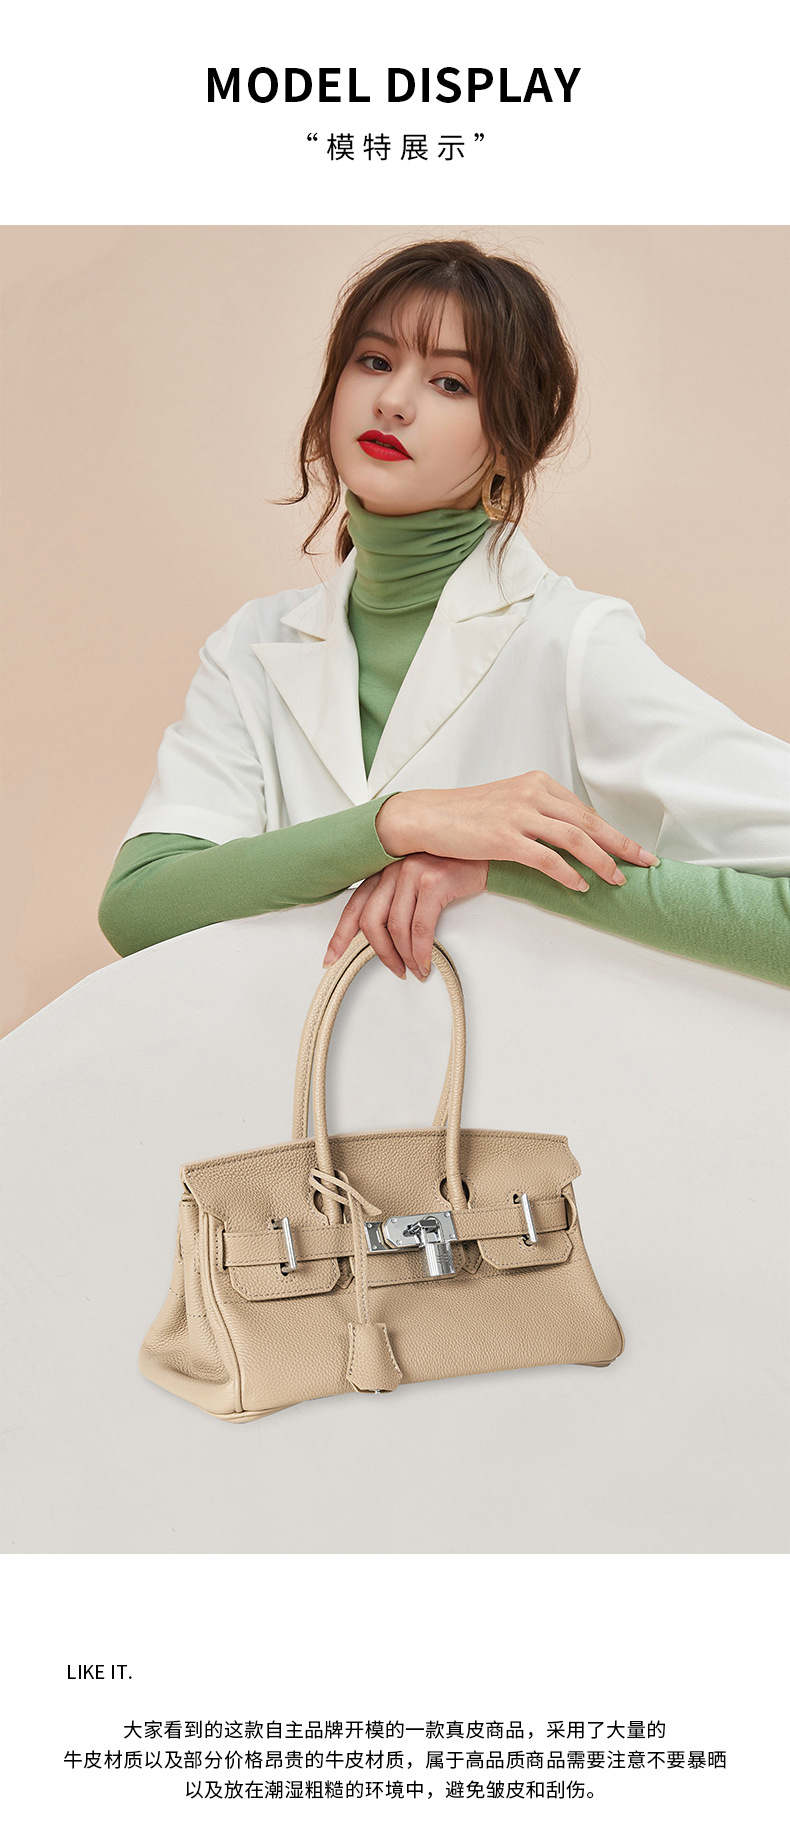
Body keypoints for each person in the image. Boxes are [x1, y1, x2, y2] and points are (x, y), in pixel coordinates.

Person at [99, 240, 790, 987]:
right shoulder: (251, 645)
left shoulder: (571, 643)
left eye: (450, 382)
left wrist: (510, 871)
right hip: (290, 1066)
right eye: (373, 361)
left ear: (512, 440)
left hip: (514, 1066)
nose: (393, 400)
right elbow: (141, 906)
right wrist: (398, 821)